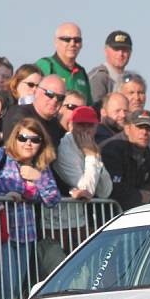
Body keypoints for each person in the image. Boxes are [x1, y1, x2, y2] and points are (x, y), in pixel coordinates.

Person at [0, 117, 60, 299]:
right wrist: (5, 194)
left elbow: (53, 199)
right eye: (23, 138)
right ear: (14, 138)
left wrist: (38, 178)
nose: (29, 143)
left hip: (26, 235)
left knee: (15, 289)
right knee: (6, 288)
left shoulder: (40, 165)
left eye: (35, 139)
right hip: (1, 233)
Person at [46, 106, 112, 249]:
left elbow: (105, 191)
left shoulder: (91, 147)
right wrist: (91, 156)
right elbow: (86, 190)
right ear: (71, 125)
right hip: (57, 225)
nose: (86, 130)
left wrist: (94, 156)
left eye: (90, 125)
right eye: (81, 125)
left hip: (79, 223)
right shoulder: (64, 146)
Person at [0, 64, 42, 150]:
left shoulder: (38, 108)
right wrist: (5, 136)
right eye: (30, 85)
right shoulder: (2, 100)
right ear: (17, 82)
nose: (35, 90)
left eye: (39, 87)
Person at [102, 109, 150, 210]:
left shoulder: (146, 151)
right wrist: (139, 196)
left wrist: (148, 193)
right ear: (127, 129)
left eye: (148, 128)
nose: (144, 132)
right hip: (108, 214)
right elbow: (113, 187)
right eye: (139, 127)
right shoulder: (113, 148)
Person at [2, 75, 66, 147]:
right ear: (37, 92)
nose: (55, 100)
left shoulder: (55, 124)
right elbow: (17, 152)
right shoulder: (19, 115)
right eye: (50, 94)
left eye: (60, 97)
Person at [36, 22, 92, 105]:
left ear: (81, 44)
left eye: (77, 40)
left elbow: (88, 105)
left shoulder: (81, 72)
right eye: (67, 39)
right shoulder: (46, 65)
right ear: (56, 42)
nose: (72, 44)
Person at [89, 30, 132, 107]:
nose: (120, 54)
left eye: (125, 49)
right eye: (116, 49)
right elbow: (95, 112)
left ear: (130, 52)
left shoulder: (130, 79)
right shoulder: (99, 77)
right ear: (106, 50)